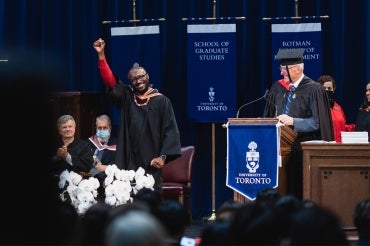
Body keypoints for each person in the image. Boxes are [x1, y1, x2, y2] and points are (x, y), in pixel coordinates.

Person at [93, 38, 182, 193]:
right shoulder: (127, 97)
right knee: (127, 199)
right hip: (128, 160)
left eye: (141, 77)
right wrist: (101, 55)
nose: (138, 81)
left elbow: (170, 131)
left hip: (151, 162)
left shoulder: (161, 101)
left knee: (150, 203)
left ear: (147, 77)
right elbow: (111, 82)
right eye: (133, 79)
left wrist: (163, 157)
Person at [263, 48, 334, 199]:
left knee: (299, 191)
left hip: (301, 151)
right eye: (281, 68)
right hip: (279, 151)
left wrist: (293, 121)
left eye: (283, 69)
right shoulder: (277, 88)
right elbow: (269, 115)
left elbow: (317, 123)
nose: (281, 72)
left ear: (296, 69)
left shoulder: (315, 89)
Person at [317, 75, 355, 142]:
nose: (326, 90)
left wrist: (359, 126)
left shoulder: (338, 108)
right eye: (324, 88)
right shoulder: (316, 107)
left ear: (333, 90)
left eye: (329, 88)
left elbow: (343, 127)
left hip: (339, 147)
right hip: (323, 147)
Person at [87, 114, 117, 181]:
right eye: (99, 128)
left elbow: (122, 165)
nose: (102, 130)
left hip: (109, 182)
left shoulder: (118, 145)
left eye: (105, 128)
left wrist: (107, 168)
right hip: (88, 181)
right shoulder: (88, 143)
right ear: (96, 128)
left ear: (110, 128)